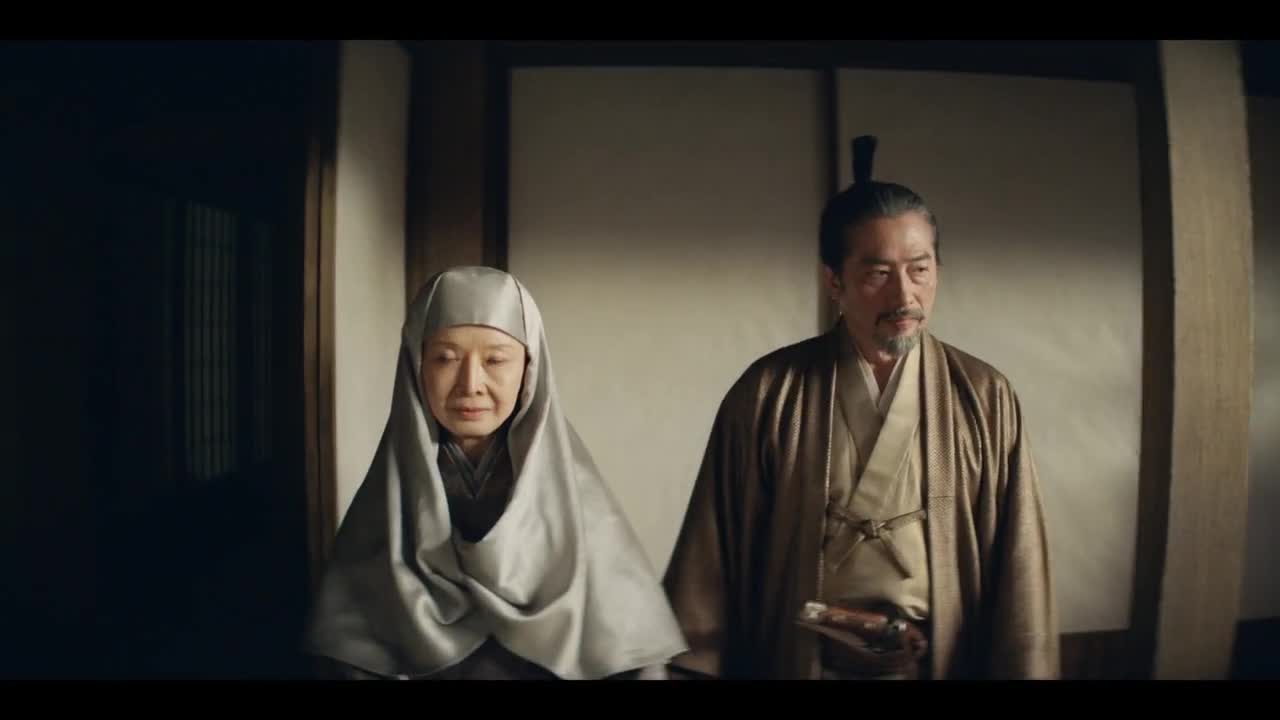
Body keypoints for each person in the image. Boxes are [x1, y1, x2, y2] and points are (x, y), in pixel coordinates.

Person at [661, 136, 1059, 680]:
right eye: (878, 273)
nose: (904, 296)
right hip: (801, 661)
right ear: (834, 281)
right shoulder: (769, 392)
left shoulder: (984, 396)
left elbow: (1020, 567)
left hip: (938, 663)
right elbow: (710, 564)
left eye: (919, 270)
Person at [304, 266, 687, 680]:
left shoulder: (572, 490)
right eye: (446, 358)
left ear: (530, 367)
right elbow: (352, 645)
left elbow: (631, 647)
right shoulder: (390, 495)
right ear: (416, 364)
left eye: (495, 359)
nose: (471, 383)